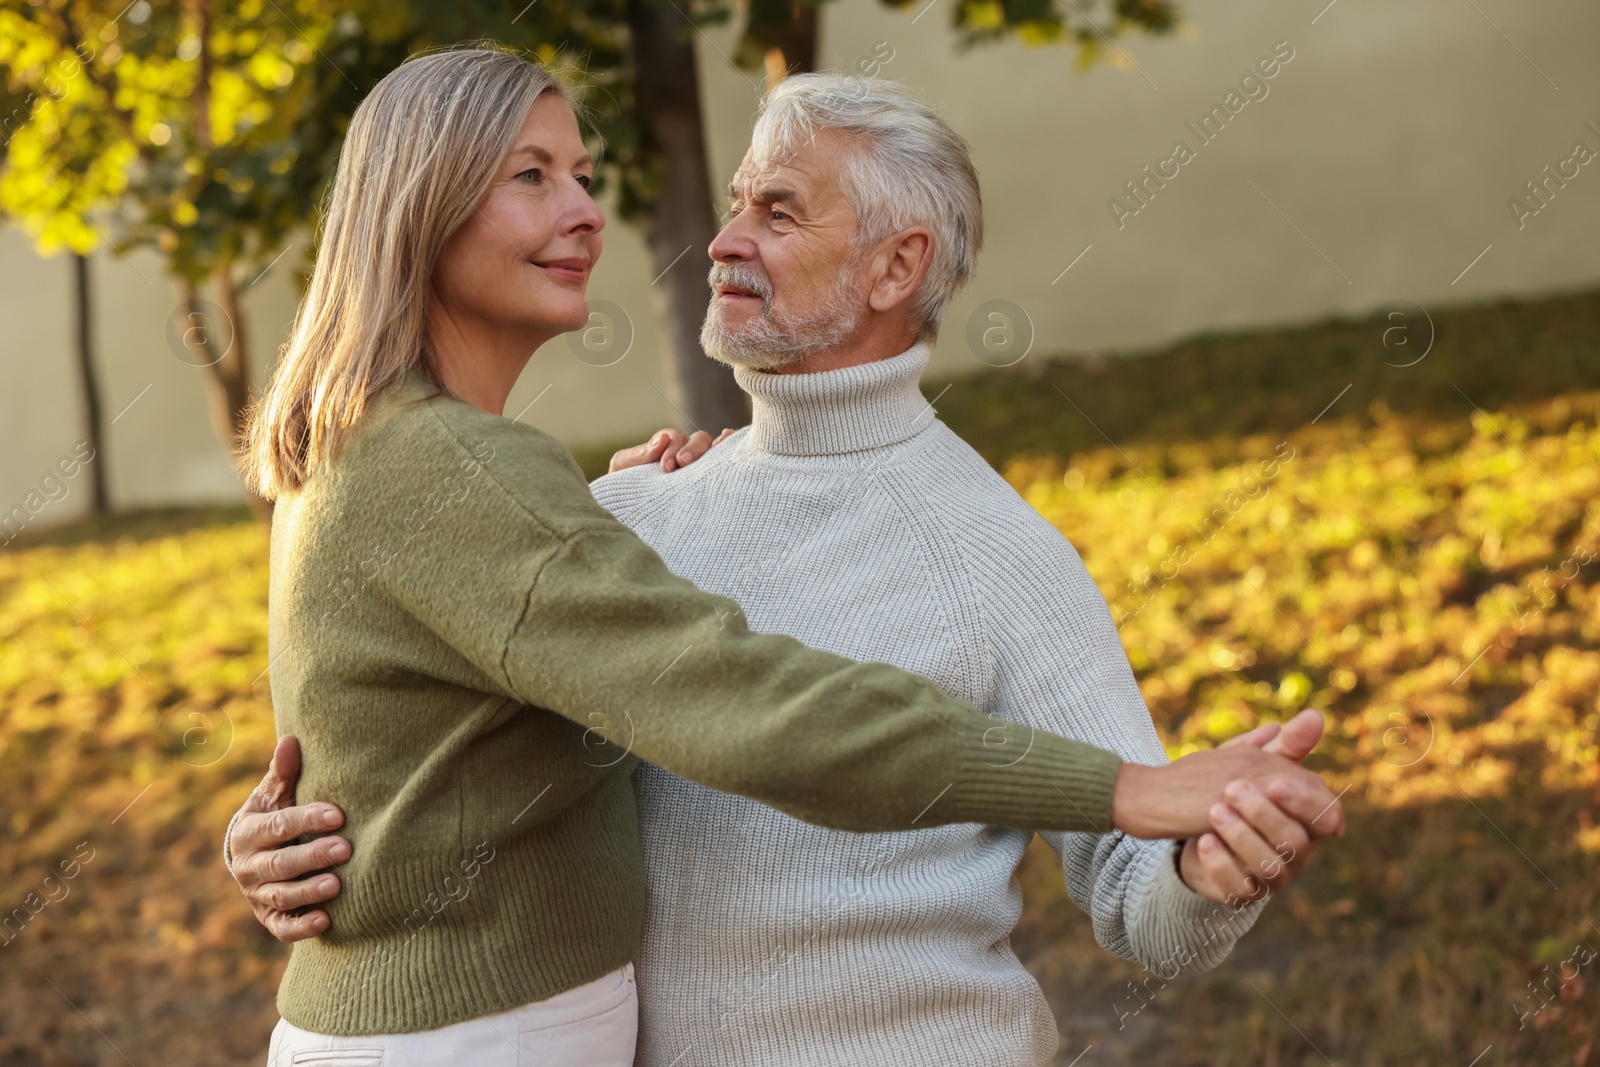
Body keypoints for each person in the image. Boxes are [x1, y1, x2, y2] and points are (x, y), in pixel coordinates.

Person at [232, 47, 1343, 1066]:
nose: (719, 242)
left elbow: (1135, 887)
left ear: (891, 266)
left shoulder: (993, 554)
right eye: (730, 206)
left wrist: (1207, 868)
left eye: (776, 210)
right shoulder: (633, 509)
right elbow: (415, 722)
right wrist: (293, 833)